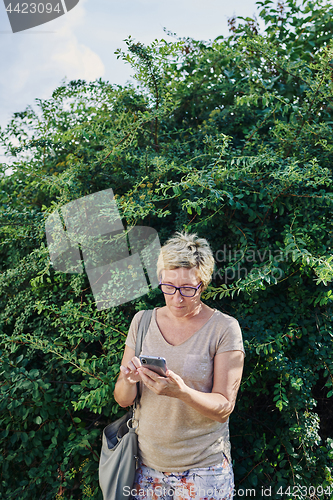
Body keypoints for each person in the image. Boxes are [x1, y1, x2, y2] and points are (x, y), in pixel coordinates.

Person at [114, 232, 245, 500]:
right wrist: (127, 381)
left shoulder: (224, 329)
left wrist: (181, 392)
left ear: (203, 283)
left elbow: (224, 408)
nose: (176, 298)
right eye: (168, 287)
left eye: (188, 289)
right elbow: (122, 400)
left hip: (204, 472)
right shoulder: (142, 322)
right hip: (146, 469)